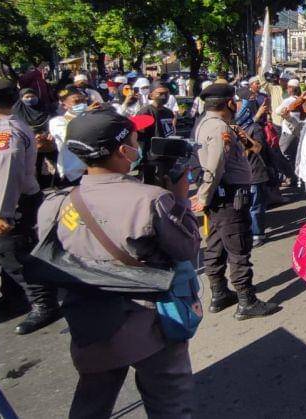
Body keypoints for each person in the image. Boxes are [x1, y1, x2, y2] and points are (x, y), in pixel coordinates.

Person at [38, 108, 200, 418]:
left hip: (89, 319)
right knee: (170, 399)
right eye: (136, 140)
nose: (140, 145)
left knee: (92, 400)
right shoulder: (150, 199)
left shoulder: (56, 203)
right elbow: (186, 248)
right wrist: (180, 199)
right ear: (124, 151)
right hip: (149, 322)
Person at [0, 79, 60, 334]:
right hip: (2, 202)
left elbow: (9, 175)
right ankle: (13, 297)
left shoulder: (6, 133)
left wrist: (0, 213)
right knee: (9, 253)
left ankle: (45, 303)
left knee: (14, 254)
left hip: (12, 204)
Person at [191, 84, 279, 319]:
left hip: (222, 196)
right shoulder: (218, 128)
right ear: (229, 103)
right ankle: (246, 301)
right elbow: (214, 165)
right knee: (238, 248)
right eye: (235, 101)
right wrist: (204, 196)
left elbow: (254, 149)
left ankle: (219, 293)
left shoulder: (209, 124)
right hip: (228, 197)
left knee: (216, 245)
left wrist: (243, 136)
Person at [234, 89, 270, 248]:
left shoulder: (254, 128)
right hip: (241, 173)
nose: (236, 107)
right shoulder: (234, 127)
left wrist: (242, 136)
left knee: (256, 207)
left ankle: (258, 234)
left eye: (239, 105)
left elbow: (258, 148)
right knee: (244, 205)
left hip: (255, 172)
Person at [48, 88, 89, 186]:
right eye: (77, 102)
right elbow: (72, 138)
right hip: (75, 173)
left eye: (83, 100)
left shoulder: (92, 116)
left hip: (95, 169)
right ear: (64, 105)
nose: (82, 104)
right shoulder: (58, 121)